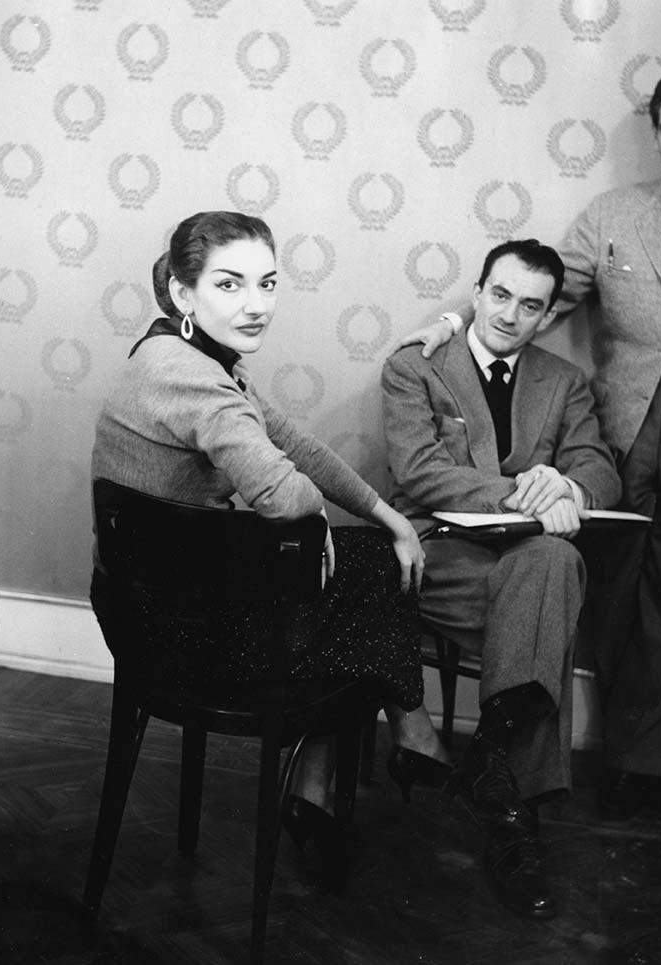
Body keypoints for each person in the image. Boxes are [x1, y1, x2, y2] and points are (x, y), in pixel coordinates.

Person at [397, 64, 661, 822]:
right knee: (609, 598)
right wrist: (454, 322)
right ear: (655, 135)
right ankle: (591, 749)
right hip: (614, 439)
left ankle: (643, 766)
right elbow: (531, 292)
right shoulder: (611, 213)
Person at [90, 210, 452, 882]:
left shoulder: (187, 353)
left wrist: (387, 516)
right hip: (183, 634)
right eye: (229, 285)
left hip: (158, 604)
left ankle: (341, 762)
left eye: (267, 283)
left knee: (375, 557)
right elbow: (284, 494)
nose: (255, 305)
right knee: (375, 574)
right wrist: (324, 525)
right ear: (181, 292)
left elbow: (297, 445)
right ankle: (404, 728)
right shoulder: (193, 377)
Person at [382, 238, 620, 919]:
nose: (511, 315)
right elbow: (419, 470)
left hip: (523, 566)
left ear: (547, 316)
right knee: (550, 587)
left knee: (551, 560)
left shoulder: (564, 382)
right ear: (478, 291)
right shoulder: (416, 366)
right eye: (500, 295)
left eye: (531, 306)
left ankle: (494, 774)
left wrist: (568, 483)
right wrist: (524, 491)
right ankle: (514, 815)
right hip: (436, 556)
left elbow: (599, 471)